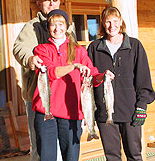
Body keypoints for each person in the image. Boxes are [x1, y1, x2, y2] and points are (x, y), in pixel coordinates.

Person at [32, 9, 114, 161]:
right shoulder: (41, 49)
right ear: (48, 28)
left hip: (71, 113)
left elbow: (93, 76)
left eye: (61, 24)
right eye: (53, 24)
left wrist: (103, 76)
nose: (57, 28)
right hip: (46, 112)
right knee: (46, 157)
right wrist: (74, 66)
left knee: (71, 157)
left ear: (67, 26)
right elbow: (50, 73)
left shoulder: (79, 51)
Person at [87, 6, 155, 161]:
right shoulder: (94, 48)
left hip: (131, 111)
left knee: (134, 155)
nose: (112, 26)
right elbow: (88, 80)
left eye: (115, 21)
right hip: (105, 113)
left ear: (121, 22)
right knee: (112, 157)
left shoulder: (134, 46)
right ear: (103, 25)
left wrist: (141, 106)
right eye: (108, 22)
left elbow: (143, 78)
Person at [13, 0, 65, 161]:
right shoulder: (32, 26)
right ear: (39, 4)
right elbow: (19, 48)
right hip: (38, 94)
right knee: (41, 144)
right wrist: (29, 59)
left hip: (63, 94)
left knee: (64, 141)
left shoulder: (66, 25)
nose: (51, 3)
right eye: (47, 0)